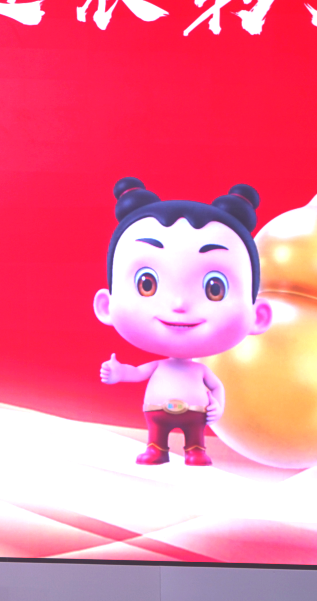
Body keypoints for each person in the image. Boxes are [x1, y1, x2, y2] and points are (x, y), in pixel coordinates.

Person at [94, 178, 273, 465]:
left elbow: (217, 388)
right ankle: (156, 449)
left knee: (194, 437)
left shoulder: (200, 372)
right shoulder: (161, 367)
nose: (178, 304)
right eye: (147, 284)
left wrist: (218, 406)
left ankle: (196, 450)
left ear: (258, 316)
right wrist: (119, 373)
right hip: (157, 412)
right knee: (157, 435)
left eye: (214, 289)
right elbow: (137, 373)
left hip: (195, 415)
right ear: (106, 305)